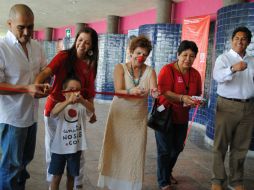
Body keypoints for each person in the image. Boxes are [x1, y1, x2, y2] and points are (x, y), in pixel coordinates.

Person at [34, 26, 98, 189]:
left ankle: (77, 182)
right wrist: (37, 83)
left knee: (77, 147)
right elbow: (46, 72)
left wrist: (92, 112)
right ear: (76, 39)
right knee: (53, 149)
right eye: (80, 39)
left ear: (92, 46)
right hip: (55, 109)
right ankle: (53, 182)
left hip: (76, 112)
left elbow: (89, 92)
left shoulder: (90, 65)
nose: (82, 44)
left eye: (87, 42)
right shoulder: (63, 56)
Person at [97, 35, 158, 190]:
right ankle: (112, 183)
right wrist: (132, 91)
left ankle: (130, 184)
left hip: (137, 118)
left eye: (145, 54)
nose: (141, 57)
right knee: (115, 148)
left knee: (135, 151)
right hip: (120, 114)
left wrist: (155, 92)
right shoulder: (120, 67)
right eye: (138, 53)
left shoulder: (150, 71)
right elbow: (118, 91)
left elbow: (154, 89)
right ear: (131, 52)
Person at [0, 4, 48, 190]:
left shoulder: (36, 46)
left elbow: (44, 70)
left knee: (24, 164)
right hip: (12, 119)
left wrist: (43, 84)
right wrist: (27, 88)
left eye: (31, 26)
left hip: (31, 116)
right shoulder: (3, 48)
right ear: (9, 24)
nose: (27, 32)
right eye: (22, 27)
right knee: (10, 167)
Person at [211, 26, 254, 190]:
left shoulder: (252, 60)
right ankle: (216, 180)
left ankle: (236, 181)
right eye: (237, 38)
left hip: (249, 107)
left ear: (248, 42)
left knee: (240, 147)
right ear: (232, 40)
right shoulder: (224, 58)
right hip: (227, 105)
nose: (239, 41)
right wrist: (233, 69)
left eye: (243, 39)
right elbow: (217, 76)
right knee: (220, 145)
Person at [156, 40, 202, 190]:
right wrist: (182, 98)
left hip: (182, 117)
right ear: (178, 55)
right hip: (165, 115)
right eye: (184, 55)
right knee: (164, 150)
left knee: (177, 148)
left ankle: (168, 172)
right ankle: (163, 181)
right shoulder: (167, 70)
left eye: (192, 56)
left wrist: (197, 101)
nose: (188, 59)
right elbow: (164, 92)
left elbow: (197, 94)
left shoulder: (195, 74)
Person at [48, 76, 94, 190]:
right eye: (71, 89)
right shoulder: (60, 105)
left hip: (75, 149)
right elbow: (53, 113)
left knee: (71, 177)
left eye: (77, 89)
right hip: (59, 149)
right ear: (64, 92)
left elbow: (92, 110)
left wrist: (83, 100)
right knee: (56, 177)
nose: (75, 92)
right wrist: (68, 101)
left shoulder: (82, 106)